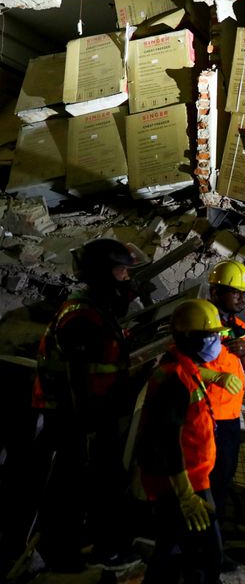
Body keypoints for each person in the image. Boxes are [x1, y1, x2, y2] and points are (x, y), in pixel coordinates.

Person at [30, 237, 142, 571]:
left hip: (88, 415)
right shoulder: (82, 316)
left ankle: (84, 547)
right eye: (122, 272)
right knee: (78, 487)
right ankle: (73, 554)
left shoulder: (94, 308)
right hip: (78, 418)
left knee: (86, 484)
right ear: (104, 274)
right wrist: (88, 423)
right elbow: (77, 377)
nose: (127, 278)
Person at [135, 298, 228, 584]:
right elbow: (166, 441)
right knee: (205, 557)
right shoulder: (174, 378)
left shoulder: (186, 370)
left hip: (192, 481)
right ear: (189, 337)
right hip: (182, 486)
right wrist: (186, 496)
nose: (217, 342)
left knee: (173, 550)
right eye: (211, 336)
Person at [202, 259, 245, 571]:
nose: (242, 299)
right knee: (205, 487)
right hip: (207, 417)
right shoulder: (202, 320)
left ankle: (212, 550)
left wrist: (243, 352)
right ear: (216, 290)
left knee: (221, 486)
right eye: (236, 293)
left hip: (230, 418)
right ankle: (203, 553)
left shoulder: (238, 326)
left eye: (242, 294)